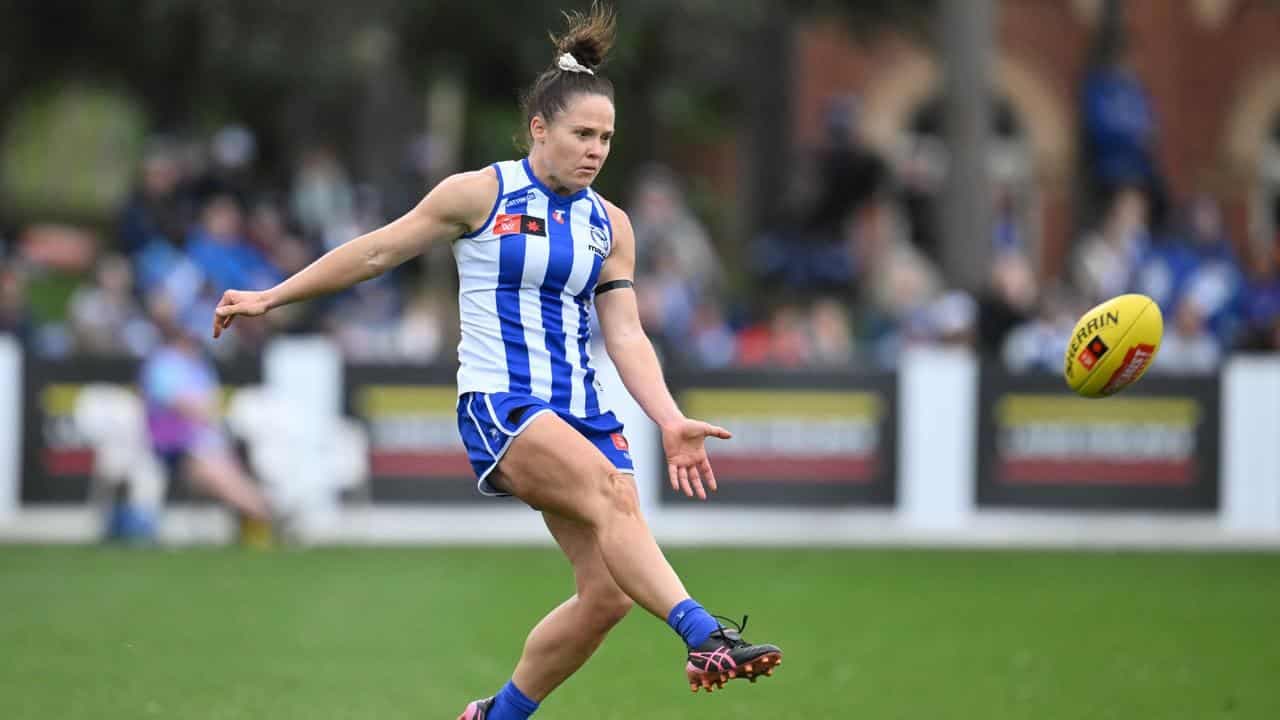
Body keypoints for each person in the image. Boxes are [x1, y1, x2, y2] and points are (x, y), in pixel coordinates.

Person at [210, 4, 781, 719]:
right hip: (502, 403)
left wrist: (667, 418)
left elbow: (627, 335)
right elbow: (379, 250)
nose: (595, 149)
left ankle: (497, 716)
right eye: (582, 134)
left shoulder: (611, 225)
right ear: (540, 128)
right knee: (614, 492)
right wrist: (273, 295)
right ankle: (704, 633)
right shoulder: (481, 193)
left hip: (582, 408)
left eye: (606, 137)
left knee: (605, 597)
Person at [144, 292, 274, 547]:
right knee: (219, 473)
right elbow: (184, 405)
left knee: (232, 469)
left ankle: (260, 519)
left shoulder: (200, 366)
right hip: (176, 448)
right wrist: (209, 413)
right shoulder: (163, 363)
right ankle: (265, 515)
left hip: (207, 442)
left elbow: (208, 408)